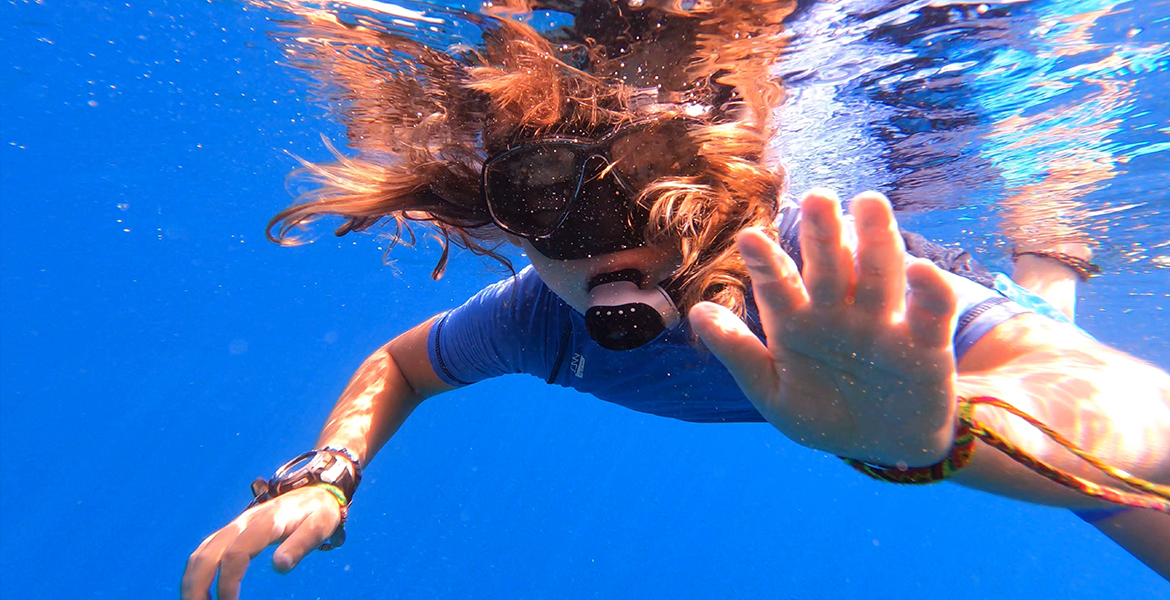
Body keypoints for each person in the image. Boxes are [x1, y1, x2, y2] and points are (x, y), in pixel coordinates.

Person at [182, 1, 1170, 597]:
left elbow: (1133, 418)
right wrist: (328, 471)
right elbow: (401, 364)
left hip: (949, 368)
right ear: (509, 224)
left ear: (727, 187)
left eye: (667, 208)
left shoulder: (811, 276)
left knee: (1069, 399)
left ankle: (1050, 247)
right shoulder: (535, 317)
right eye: (557, 221)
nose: (621, 258)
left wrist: (943, 436)